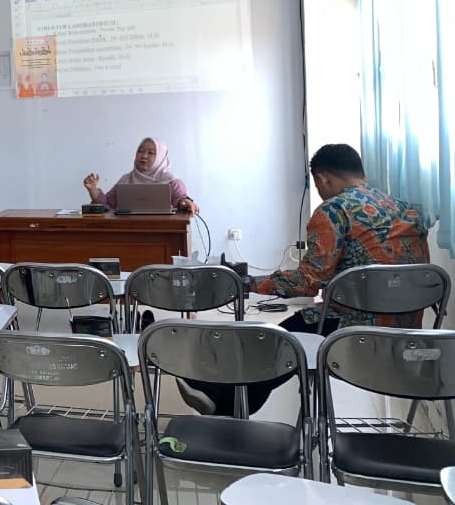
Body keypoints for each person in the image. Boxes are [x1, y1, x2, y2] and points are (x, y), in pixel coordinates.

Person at [177, 144, 431, 416]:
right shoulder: (407, 211)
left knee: (274, 339)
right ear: (361, 173)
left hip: (352, 332)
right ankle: (226, 399)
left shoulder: (334, 211)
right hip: (408, 336)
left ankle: (226, 402)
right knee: (287, 338)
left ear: (322, 178)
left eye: (318, 185)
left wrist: (248, 283)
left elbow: (307, 281)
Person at [83, 137, 199, 213]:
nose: (144, 156)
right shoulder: (126, 179)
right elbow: (107, 205)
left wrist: (184, 202)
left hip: (162, 234)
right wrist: (93, 189)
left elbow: (181, 199)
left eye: (151, 153)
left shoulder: (171, 181)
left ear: (160, 158)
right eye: (140, 151)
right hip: (128, 232)